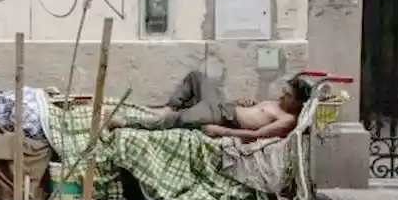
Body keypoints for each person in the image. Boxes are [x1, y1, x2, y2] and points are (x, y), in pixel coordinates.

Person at [108, 70, 313, 142]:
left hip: (221, 117)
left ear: (297, 101)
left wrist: (221, 131)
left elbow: (256, 135)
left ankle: (124, 122)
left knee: (177, 121)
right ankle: (171, 106)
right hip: (223, 105)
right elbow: (258, 110)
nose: (281, 96)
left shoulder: (287, 120)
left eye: (287, 95)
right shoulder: (279, 104)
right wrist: (249, 104)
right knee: (197, 77)